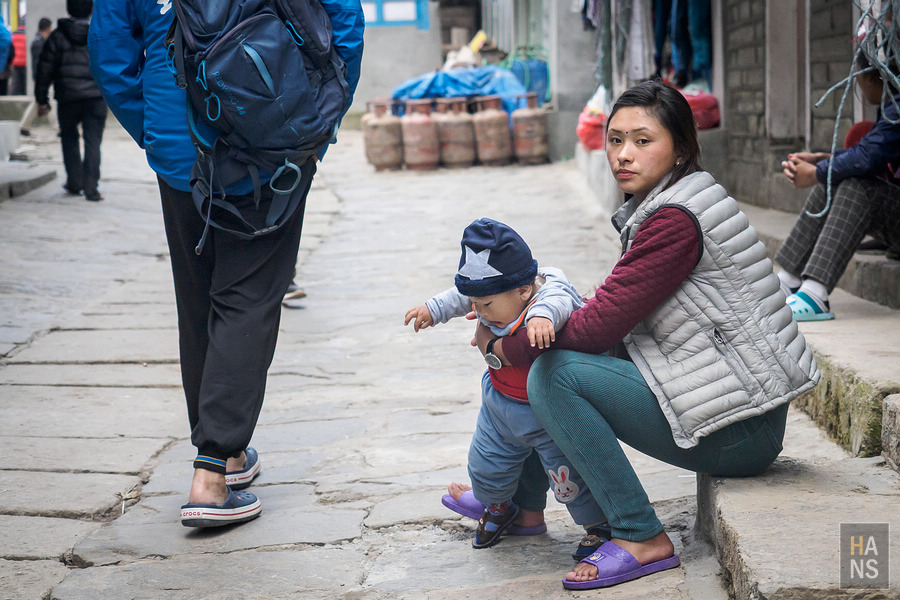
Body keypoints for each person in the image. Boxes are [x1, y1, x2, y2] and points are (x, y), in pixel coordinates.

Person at [472, 80, 820, 590]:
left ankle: (639, 534)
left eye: (642, 140)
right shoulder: (677, 200)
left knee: (551, 375)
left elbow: (599, 327)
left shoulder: (675, 219)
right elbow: (612, 307)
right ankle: (521, 505)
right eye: (615, 140)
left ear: (680, 147)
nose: (623, 154)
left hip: (743, 433)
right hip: (742, 409)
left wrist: (502, 344)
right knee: (540, 359)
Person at [88, 0, 364, 527]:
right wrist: (318, 121)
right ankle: (212, 475)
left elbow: (110, 54)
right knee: (248, 300)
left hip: (179, 147)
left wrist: (156, 134)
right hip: (275, 133)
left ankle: (227, 455)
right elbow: (344, 24)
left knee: (198, 302)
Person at [405, 218, 610, 550]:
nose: (479, 311)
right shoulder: (493, 294)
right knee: (485, 463)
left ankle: (597, 525)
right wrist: (433, 308)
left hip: (548, 412)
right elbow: (461, 297)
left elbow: (556, 302)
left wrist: (542, 318)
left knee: (569, 477)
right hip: (499, 405)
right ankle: (499, 507)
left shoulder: (546, 293)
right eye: (475, 304)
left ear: (524, 290)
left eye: (485, 305)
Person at [776, 51, 900, 321]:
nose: (859, 85)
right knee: (836, 175)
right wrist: (823, 160)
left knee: (857, 186)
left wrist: (817, 172)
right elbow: (872, 153)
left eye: (858, 78)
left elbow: (868, 157)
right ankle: (787, 281)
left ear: (873, 78)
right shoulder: (890, 105)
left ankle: (815, 294)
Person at [34, 0, 108, 201]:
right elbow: (110, 64)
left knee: (69, 139)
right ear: (91, 9)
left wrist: (42, 99)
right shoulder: (99, 34)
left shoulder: (57, 36)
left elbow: (44, 69)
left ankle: (75, 183)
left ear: (69, 9)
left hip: (67, 98)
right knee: (93, 141)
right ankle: (91, 188)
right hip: (95, 98)